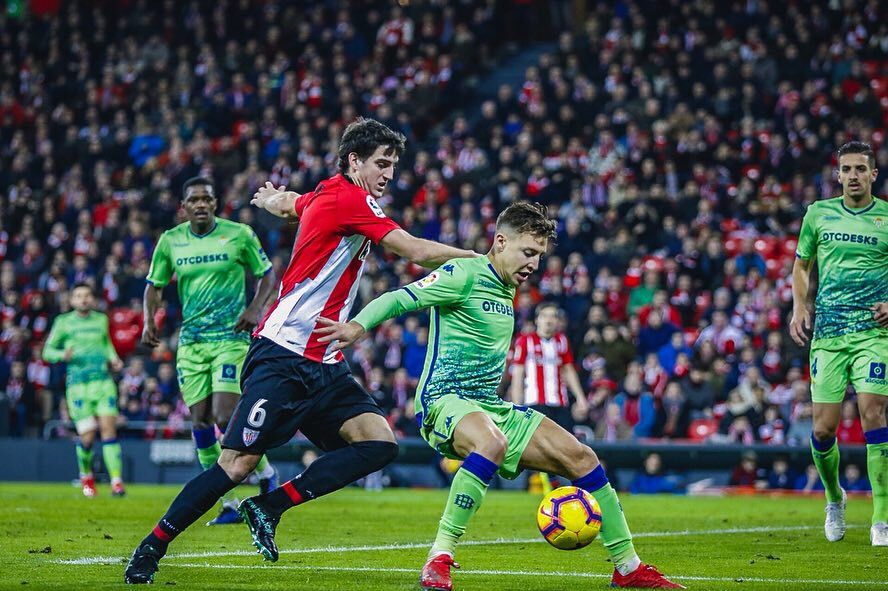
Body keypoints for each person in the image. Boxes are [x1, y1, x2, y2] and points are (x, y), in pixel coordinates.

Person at [124, 118, 476, 584]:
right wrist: (484, 262)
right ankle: (151, 548)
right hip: (283, 355)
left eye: (393, 165)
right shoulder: (351, 198)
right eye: (382, 163)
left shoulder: (329, 193)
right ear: (355, 161)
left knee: (379, 444)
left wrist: (272, 199)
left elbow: (293, 203)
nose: (390, 173)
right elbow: (411, 248)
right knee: (236, 465)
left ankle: (269, 506)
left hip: (325, 361)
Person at [312, 202, 682, 589]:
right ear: (501, 242)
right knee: (491, 442)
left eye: (539, 256)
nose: (534, 265)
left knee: (582, 457)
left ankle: (628, 568)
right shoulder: (464, 272)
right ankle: (439, 556)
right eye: (528, 253)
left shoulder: (507, 288)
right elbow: (400, 298)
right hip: (445, 400)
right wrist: (357, 326)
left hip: (488, 405)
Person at [143, 176, 279, 525]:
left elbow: (267, 275)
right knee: (200, 422)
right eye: (194, 200)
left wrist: (254, 309)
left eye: (207, 198)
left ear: (216, 203)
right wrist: (149, 319)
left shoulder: (240, 234)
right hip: (191, 343)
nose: (201, 204)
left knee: (223, 416)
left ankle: (264, 473)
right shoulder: (170, 241)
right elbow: (154, 285)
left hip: (230, 339)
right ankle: (230, 503)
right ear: (184, 206)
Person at [789, 141, 888, 546]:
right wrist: (799, 306)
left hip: (873, 335)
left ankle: (881, 517)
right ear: (838, 174)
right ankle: (834, 498)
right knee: (824, 430)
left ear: (873, 174)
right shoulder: (819, 214)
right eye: (846, 169)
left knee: (872, 415)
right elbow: (801, 264)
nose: (852, 176)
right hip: (828, 336)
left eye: (860, 169)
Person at [43, 283, 125, 497]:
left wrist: (114, 359)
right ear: (72, 300)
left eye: (87, 295)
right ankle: (86, 476)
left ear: (92, 298)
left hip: (103, 382)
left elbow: (106, 344)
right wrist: (63, 355)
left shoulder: (101, 319)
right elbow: (47, 351)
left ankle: (116, 482)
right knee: (87, 437)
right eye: (78, 296)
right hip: (78, 386)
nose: (83, 299)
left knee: (109, 430)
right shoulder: (63, 322)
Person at [509, 302, 589, 493]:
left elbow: (568, 370)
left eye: (553, 316)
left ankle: (574, 486)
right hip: (535, 402)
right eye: (545, 316)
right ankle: (541, 483)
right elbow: (518, 374)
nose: (549, 320)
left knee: (571, 446)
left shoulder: (562, 341)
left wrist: (580, 398)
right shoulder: (525, 341)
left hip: (559, 402)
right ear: (537, 320)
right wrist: (517, 404)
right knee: (540, 447)